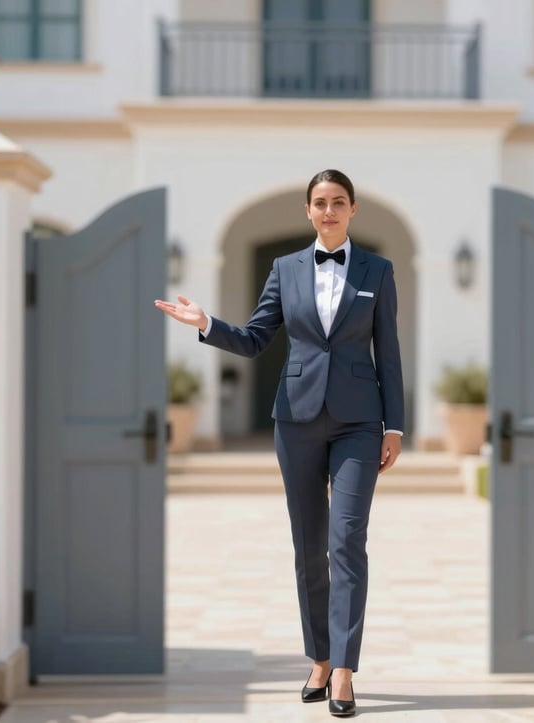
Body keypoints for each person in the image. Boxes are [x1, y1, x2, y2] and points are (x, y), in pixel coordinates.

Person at [155, 169, 404, 718]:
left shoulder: (378, 271)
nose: (329, 210)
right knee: (309, 546)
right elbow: (253, 338)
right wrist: (206, 323)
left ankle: (343, 669)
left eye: (339, 202)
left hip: (359, 423)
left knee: (346, 541)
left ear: (353, 209)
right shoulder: (284, 269)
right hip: (296, 420)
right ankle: (318, 654)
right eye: (320, 203)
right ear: (308, 210)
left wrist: (394, 425)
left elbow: (388, 352)